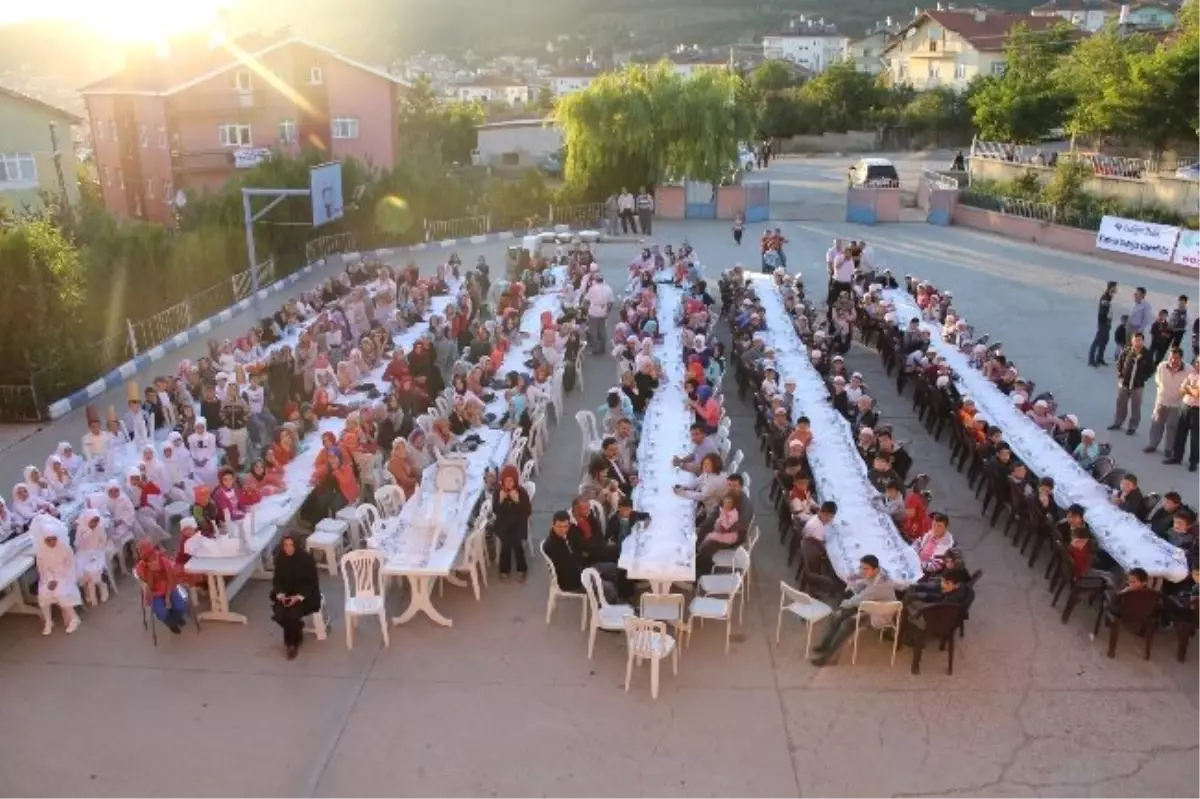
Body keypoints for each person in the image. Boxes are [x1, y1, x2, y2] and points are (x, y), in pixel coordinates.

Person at [811, 554, 898, 667]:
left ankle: (830, 658)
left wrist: (843, 606)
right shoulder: (876, 573)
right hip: (869, 605)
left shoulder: (880, 585)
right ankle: (826, 645)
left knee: (848, 624)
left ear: (876, 569)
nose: (862, 571)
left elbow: (859, 599)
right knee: (839, 616)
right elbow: (863, 583)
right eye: (861, 568)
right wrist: (855, 580)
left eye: (865, 569)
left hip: (879, 613)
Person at [271, 533, 322, 660]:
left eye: (291, 545)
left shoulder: (307, 560)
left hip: (305, 596)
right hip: (286, 594)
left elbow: (311, 583)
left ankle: (292, 644)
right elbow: (277, 581)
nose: (288, 548)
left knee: (292, 614)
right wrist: (281, 594)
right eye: (285, 545)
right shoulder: (281, 559)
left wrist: (298, 597)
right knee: (279, 614)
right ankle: (297, 628)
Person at [31, 514, 82, 635]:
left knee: (60, 592)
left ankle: (74, 618)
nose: (51, 542)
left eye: (53, 539)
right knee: (43, 593)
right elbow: (42, 568)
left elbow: (70, 566)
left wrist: (59, 579)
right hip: (49, 578)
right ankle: (48, 621)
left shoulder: (65, 548)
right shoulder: (41, 551)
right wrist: (50, 580)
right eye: (48, 540)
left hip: (66, 576)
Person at [695, 473, 753, 574]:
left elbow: (742, 524)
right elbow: (717, 511)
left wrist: (723, 529)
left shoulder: (745, 504)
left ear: (740, 487)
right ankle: (696, 559)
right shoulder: (729, 495)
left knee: (709, 546)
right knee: (703, 531)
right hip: (722, 526)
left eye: (734, 486)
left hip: (734, 536)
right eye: (729, 485)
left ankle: (702, 571)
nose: (730, 488)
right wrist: (706, 524)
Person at [134, 540, 189, 634]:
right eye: (148, 555)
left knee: (181, 607)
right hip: (154, 593)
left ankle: (174, 618)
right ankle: (171, 623)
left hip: (169, 588)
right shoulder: (141, 567)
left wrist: (167, 597)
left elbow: (170, 580)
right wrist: (150, 571)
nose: (152, 556)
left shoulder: (163, 561)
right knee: (161, 614)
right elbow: (149, 585)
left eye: (152, 553)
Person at [492, 465, 533, 582]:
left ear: (515, 481)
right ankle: (505, 569)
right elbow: (496, 511)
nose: (508, 484)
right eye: (506, 481)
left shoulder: (521, 492)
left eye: (511, 481)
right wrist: (500, 500)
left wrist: (517, 501)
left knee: (516, 543)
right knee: (507, 542)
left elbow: (527, 511)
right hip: (503, 523)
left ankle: (521, 568)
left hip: (518, 522)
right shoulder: (498, 492)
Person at [1108, 332, 1153, 435]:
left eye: (1140, 340)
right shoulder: (1127, 351)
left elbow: (1151, 369)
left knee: (1135, 407)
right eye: (1135, 340)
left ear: (1143, 341)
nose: (1137, 342)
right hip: (1124, 384)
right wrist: (1120, 375)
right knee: (1121, 405)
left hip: (1137, 386)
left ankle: (1132, 427)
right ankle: (1118, 422)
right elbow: (1120, 363)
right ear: (1132, 341)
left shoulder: (1147, 354)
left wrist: (1143, 378)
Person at [1145, 348, 1187, 457]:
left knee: (1172, 426)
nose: (1173, 360)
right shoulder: (1162, 366)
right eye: (1171, 357)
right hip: (1162, 400)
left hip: (1176, 403)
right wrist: (1162, 390)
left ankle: (1169, 449)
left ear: (1181, 358)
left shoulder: (1188, 370)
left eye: (1176, 358)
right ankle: (1152, 444)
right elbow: (1157, 379)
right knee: (1156, 423)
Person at [1166, 354, 1200, 472]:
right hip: (1186, 406)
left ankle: (1193, 462)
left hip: (1197, 410)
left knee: (1195, 438)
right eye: (1197, 362)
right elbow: (1181, 389)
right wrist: (1190, 389)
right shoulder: (1192, 374)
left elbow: (1197, 393)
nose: (1198, 365)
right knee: (1180, 433)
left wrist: (1188, 388)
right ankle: (1177, 456)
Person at [584, 275, 615, 355]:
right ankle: (602, 348)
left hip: (593, 311)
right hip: (603, 310)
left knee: (593, 331)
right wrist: (608, 312)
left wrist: (587, 309)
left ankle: (595, 350)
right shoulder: (608, 288)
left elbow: (586, 300)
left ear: (596, 280)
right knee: (602, 330)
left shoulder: (592, 289)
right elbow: (611, 302)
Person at [1088, 281, 1116, 367]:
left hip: (1107, 323)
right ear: (1110, 288)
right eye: (1114, 288)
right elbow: (1103, 312)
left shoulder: (1109, 297)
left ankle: (1099, 358)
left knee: (1104, 341)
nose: (1115, 289)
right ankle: (1091, 360)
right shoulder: (1105, 298)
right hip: (1103, 323)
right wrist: (1106, 319)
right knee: (1097, 341)